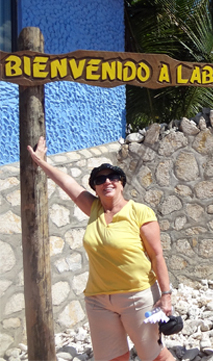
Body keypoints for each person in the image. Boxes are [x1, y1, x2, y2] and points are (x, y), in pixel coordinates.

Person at [27, 137, 175, 361]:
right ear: (95, 188)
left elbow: (157, 256)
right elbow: (67, 183)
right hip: (98, 301)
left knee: (154, 356)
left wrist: (166, 296)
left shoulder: (140, 212)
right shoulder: (94, 209)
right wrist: (41, 162)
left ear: (122, 183)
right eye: (100, 179)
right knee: (111, 358)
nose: (107, 181)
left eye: (113, 177)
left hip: (137, 296)